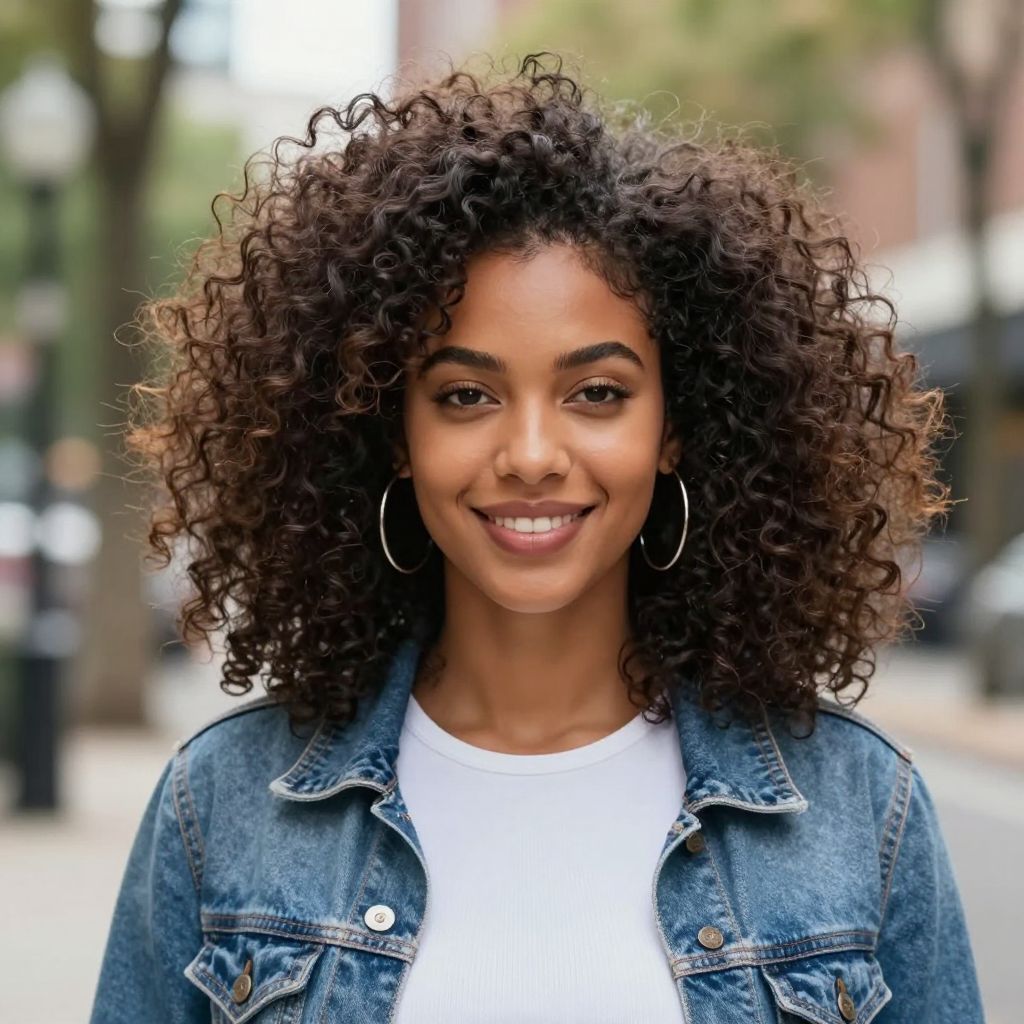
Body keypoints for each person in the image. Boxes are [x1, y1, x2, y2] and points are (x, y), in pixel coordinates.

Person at [88, 52, 985, 1024]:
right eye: (464, 394)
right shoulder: (220, 806)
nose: (529, 453)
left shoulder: (860, 809)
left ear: (674, 428)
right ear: (394, 433)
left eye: (595, 393)